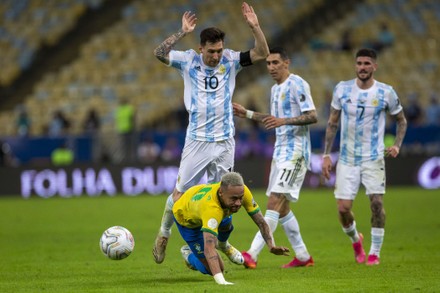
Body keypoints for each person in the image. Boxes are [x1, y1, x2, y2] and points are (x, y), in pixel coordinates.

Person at [152, 2, 270, 264]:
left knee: (225, 197)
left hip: (225, 141)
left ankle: (222, 244)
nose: (216, 56)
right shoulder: (187, 61)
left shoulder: (230, 60)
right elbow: (159, 53)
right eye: (212, 51)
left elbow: (262, 52)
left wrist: (255, 27)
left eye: (219, 51)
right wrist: (182, 32)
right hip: (196, 140)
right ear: (200, 48)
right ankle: (163, 234)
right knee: (180, 193)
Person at [233, 47, 317, 269]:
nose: (271, 67)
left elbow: (312, 116)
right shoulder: (274, 89)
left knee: (274, 202)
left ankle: (252, 253)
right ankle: (303, 256)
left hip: (296, 153)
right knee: (283, 208)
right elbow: (272, 119)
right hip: (280, 153)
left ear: (286, 63)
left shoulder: (297, 84)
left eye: (275, 63)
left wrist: (285, 121)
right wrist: (247, 114)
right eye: (268, 63)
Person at [321, 48, 407, 266]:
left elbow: (402, 121)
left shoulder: (385, 92)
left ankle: (374, 252)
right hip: (348, 158)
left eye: (367, 63)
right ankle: (355, 240)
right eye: (359, 63)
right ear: (355, 65)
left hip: (373, 157)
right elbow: (332, 123)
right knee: (343, 209)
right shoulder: (342, 89)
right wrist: (326, 155)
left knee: (377, 203)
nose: (362, 67)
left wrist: (396, 145)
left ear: (374, 67)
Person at [173, 172, 290, 285]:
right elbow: (209, 247)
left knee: (226, 223)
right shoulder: (212, 210)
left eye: (240, 198)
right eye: (234, 198)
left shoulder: (241, 191)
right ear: (221, 193)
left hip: (202, 205)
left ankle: (224, 245)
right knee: (213, 269)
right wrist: (221, 281)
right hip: (187, 220)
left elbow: (261, 222)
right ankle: (188, 254)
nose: (239, 203)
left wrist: (271, 246)